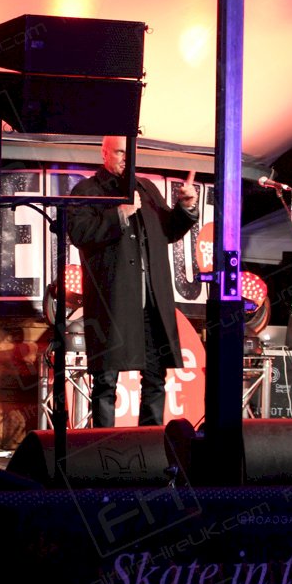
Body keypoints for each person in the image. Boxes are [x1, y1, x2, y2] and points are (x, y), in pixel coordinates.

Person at [67, 135, 199, 427]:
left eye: (130, 153)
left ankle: (150, 444)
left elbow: (168, 230)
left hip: (150, 302)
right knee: (106, 380)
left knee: (155, 378)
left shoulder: (146, 188)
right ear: (103, 154)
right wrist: (119, 215)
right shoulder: (87, 190)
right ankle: (103, 445)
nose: (126, 159)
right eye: (119, 153)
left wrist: (186, 208)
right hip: (113, 303)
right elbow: (79, 233)